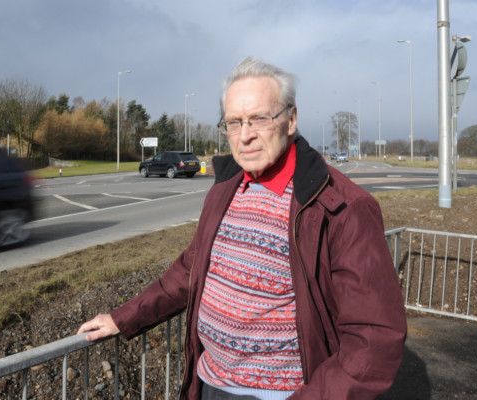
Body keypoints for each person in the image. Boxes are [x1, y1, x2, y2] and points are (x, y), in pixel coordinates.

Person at [78, 57, 407, 399]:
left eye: (259, 119)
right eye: (234, 122)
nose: (245, 135)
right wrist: (124, 317)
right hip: (209, 384)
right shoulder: (226, 187)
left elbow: (374, 340)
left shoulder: (343, 208)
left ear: (291, 120)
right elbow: (191, 269)